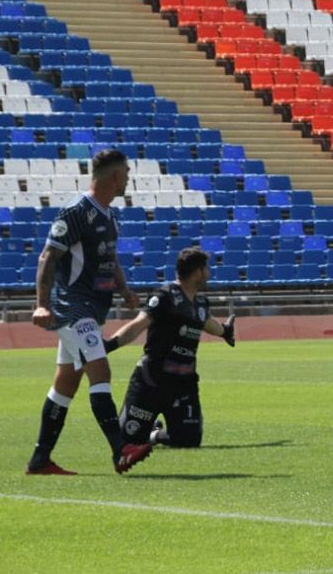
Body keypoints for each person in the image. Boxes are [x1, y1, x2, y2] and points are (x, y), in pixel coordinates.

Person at [25, 148, 153, 475]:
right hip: (72, 308)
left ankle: (40, 459)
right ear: (114, 177)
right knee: (101, 371)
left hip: (92, 308)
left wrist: (123, 290)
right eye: (125, 174)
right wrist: (42, 304)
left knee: (65, 385)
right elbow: (47, 257)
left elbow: (110, 259)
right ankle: (121, 449)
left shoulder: (109, 215)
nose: (128, 180)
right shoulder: (76, 212)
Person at [101, 247, 235, 449]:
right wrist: (109, 344)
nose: (209, 273)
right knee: (129, 439)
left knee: (189, 441)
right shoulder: (166, 296)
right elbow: (138, 324)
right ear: (197, 272)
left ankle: (154, 434)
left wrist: (225, 331)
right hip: (152, 380)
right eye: (206, 268)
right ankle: (146, 428)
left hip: (184, 384)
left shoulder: (200, 302)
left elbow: (207, 323)